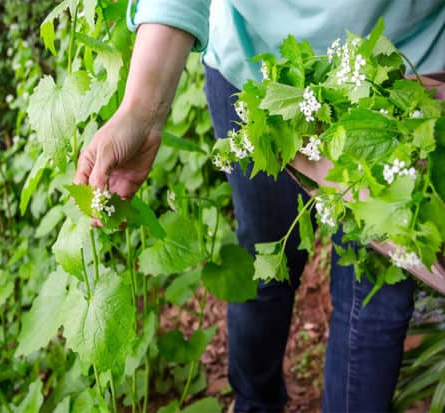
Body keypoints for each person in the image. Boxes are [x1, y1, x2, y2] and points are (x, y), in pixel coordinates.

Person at [74, 1, 445, 411]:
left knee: (376, 302)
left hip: (406, 84)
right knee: (265, 265)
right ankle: (254, 402)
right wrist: (142, 111)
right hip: (257, 76)